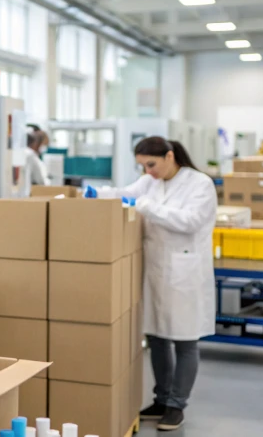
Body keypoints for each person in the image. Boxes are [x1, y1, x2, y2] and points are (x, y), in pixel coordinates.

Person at [85, 136, 216, 432]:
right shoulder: (150, 183)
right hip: (155, 270)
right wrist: (98, 193)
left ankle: (176, 405)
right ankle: (161, 399)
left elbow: (190, 221)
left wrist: (144, 206)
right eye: (142, 166)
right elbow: (124, 193)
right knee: (156, 337)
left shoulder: (200, 184)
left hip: (185, 272)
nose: (148, 171)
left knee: (185, 340)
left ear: (170, 156)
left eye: (151, 164)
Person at [22, 126, 50, 197]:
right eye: (44, 144)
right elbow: (41, 181)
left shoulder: (24, 153)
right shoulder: (31, 156)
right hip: (28, 195)